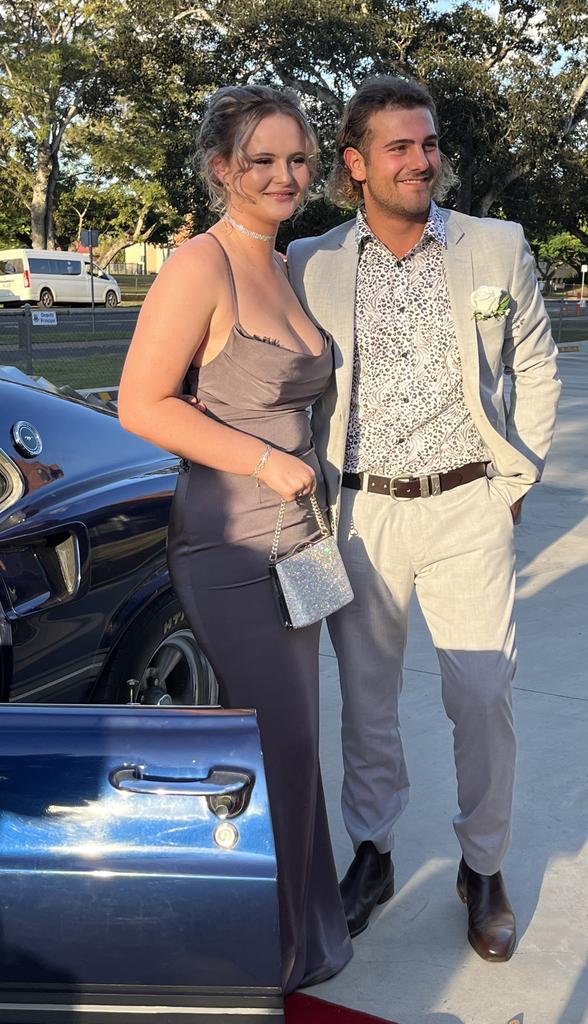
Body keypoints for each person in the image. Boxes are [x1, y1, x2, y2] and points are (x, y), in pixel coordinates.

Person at [287, 76, 561, 963]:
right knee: (366, 705)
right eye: (399, 147)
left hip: (468, 504)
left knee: (482, 696)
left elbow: (539, 368)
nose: (421, 160)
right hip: (362, 510)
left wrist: (514, 482)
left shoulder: (495, 246)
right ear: (356, 164)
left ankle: (483, 867)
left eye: (429, 143)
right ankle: (372, 853)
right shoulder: (312, 261)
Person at [118, 84, 352, 993]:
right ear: (222, 169)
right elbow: (143, 403)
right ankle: (265, 953)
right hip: (231, 541)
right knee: (279, 742)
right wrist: (263, 461)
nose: (286, 175)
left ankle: (308, 930)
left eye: (298, 159)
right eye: (263, 160)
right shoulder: (199, 264)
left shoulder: (286, 261)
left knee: (299, 739)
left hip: (300, 537)